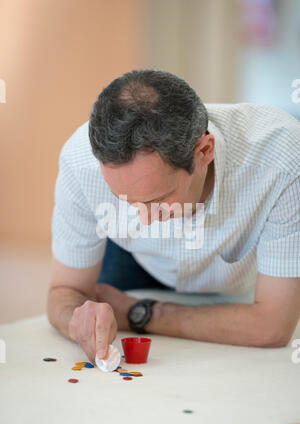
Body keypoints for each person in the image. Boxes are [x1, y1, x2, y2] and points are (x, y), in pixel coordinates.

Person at [47, 69, 300, 363]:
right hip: (131, 257)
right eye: (124, 200)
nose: (144, 220)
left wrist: (137, 312)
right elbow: (65, 292)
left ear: (204, 152)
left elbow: (272, 327)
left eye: (158, 200)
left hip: (235, 285)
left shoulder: (283, 161)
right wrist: (76, 320)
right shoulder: (80, 163)